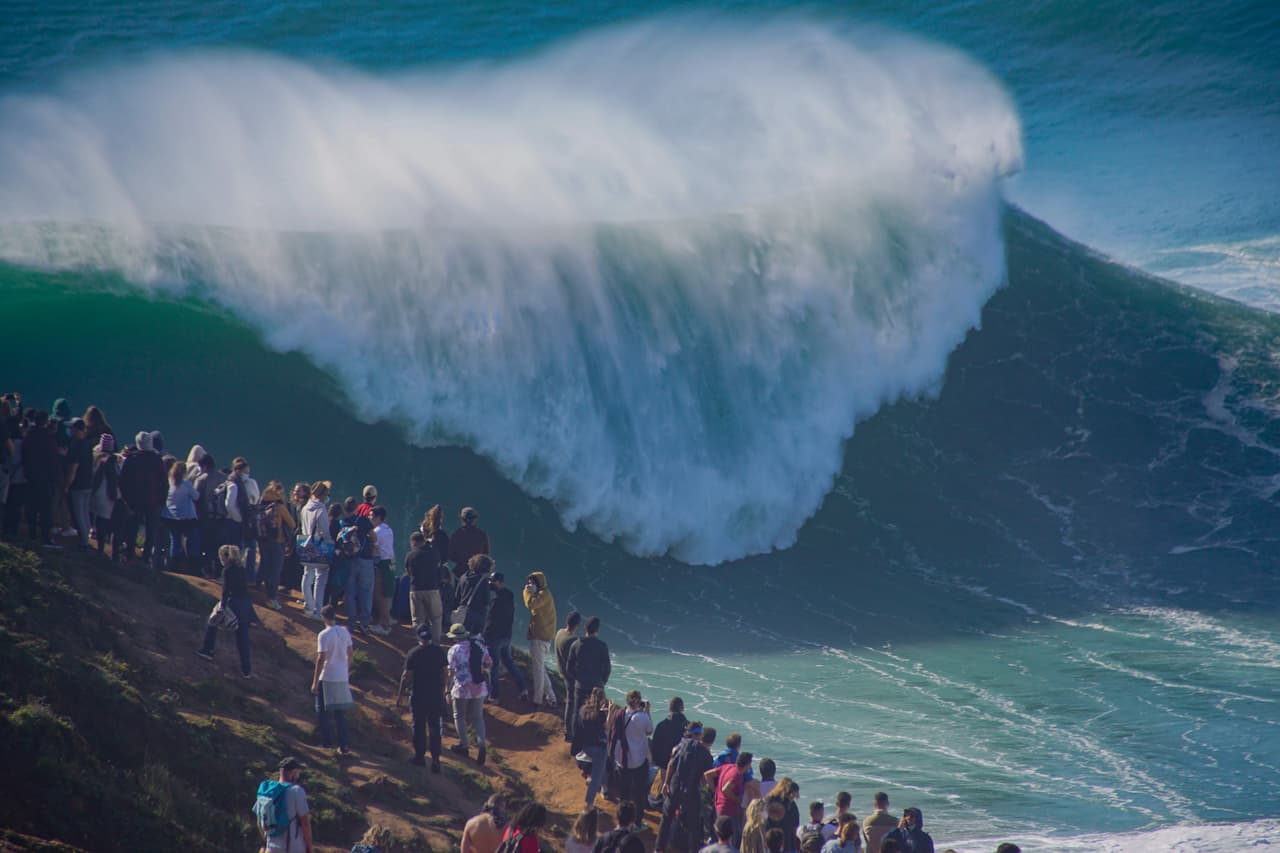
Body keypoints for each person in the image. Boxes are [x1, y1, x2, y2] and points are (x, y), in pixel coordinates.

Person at [195, 545, 253, 677]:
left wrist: (222, 606)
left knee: (212, 622)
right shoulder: (241, 568)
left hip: (233, 603)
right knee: (242, 638)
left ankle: (207, 650)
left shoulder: (228, 570)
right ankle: (246, 670)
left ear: (226, 557)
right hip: (245, 604)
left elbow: (226, 590)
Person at [397, 623, 448, 772]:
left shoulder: (414, 653)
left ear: (418, 636)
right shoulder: (439, 652)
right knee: (435, 727)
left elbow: (406, 675)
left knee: (418, 726)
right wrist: (444, 690)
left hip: (418, 694)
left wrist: (400, 694)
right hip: (435, 695)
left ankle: (419, 757)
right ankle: (436, 760)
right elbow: (445, 673)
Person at [656, 721, 714, 853]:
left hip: (675, 786)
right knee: (693, 826)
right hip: (691, 791)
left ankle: (659, 849)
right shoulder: (706, 755)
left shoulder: (680, 747)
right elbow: (704, 779)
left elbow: (671, 765)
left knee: (666, 818)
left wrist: (666, 783)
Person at [447, 622, 493, 764]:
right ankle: (481, 745)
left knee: (459, 716)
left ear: (454, 637)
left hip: (461, 688)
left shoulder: (454, 650)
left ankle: (464, 745)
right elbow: (488, 663)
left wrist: (447, 690)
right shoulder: (478, 645)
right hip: (479, 687)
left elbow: (451, 672)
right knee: (478, 718)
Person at [312, 604, 354, 755]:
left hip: (328, 676)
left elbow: (320, 658)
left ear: (323, 617)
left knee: (322, 711)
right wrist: (345, 669)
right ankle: (344, 746)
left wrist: (315, 681)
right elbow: (350, 653)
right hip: (342, 677)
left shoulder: (323, 635)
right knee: (340, 713)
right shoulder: (344, 631)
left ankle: (326, 742)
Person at [484, 572, 530, 703]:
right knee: (509, 662)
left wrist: (484, 634)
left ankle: (494, 696)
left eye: (493, 581)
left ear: (500, 582)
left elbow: (490, 620)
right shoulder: (509, 595)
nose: (491, 584)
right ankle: (523, 689)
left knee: (493, 665)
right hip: (506, 636)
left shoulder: (495, 600)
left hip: (494, 637)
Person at [612, 689, 654, 830]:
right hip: (637, 760)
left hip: (621, 758)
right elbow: (649, 731)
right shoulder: (642, 717)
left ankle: (622, 821)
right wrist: (647, 711)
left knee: (624, 793)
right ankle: (637, 823)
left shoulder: (620, 713)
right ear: (637, 701)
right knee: (639, 793)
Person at [566, 616, 611, 740]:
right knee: (597, 714)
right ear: (597, 630)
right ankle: (593, 740)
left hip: (580, 686)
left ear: (585, 628)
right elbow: (607, 668)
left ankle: (576, 743)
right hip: (596, 687)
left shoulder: (576, 644)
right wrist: (602, 682)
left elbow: (569, 668)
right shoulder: (602, 646)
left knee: (577, 714)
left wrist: (578, 679)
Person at [338, 495, 377, 635]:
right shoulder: (363, 520)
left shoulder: (343, 522)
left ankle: (351, 623)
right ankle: (365, 624)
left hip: (349, 560)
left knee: (350, 592)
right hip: (365, 560)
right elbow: (374, 537)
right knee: (366, 592)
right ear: (356, 508)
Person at [258, 756, 313, 853]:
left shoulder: (267, 791)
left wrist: (266, 843)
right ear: (293, 773)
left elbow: (259, 822)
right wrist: (309, 848)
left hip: (271, 848)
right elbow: (305, 824)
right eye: (298, 772)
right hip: (293, 848)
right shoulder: (296, 791)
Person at [21, 411, 59, 547]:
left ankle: (32, 534)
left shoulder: (29, 435)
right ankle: (46, 537)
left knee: (31, 507)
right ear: (45, 421)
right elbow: (53, 459)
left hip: (31, 477)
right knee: (45, 509)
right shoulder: (49, 437)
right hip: (46, 479)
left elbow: (24, 455)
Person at [256, 481, 296, 610]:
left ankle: (260, 591)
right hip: (277, 540)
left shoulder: (261, 504)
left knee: (265, 566)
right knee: (275, 571)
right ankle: (272, 598)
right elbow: (292, 523)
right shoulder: (279, 506)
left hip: (262, 540)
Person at [522, 571, 558, 708]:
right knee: (540, 668)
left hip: (539, 638)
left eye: (532, 583)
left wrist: (526, 592)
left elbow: (531, 605)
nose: (529, 585)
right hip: (543, 637)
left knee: (538, 670)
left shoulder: (543, 595)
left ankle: (537, 700)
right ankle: (552, 697)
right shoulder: (544, 594)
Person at [298, 480, 331, 619]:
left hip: (305, 543)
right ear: (323, 495)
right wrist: (330, 543)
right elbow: (324, 531)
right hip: (318, 545)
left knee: (307, 574)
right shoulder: (321, 509)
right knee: (321, 577)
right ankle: (317, 610)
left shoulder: (305, 508)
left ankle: (308, 605)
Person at [573, 687, 610, 809]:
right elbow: (607, 727)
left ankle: (605, 788)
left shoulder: (582, 710)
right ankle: (588, 805)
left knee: (601, 766)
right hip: (599, 748)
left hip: (586, 746)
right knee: (596, 778)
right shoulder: (601, 715)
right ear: (602, 699)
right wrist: (608, 713)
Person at [406, 530, 444, 641]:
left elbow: (408, 572)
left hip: (416, 590)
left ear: (413, 542)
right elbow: (439, 568)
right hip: (433, 589)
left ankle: (421, 643)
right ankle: (436, 644)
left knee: (418, 620)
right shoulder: (434, 552)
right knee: (436, 619)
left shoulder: (410, 555)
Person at [192, 454, 226, 577]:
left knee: (205, 544)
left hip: (205, 517)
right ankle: (218, 571)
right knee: (218, 544)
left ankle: (206, 570)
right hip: (221, 518)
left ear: (204, 466)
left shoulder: (201, 479)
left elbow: (195, 498)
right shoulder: (224, 478)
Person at [163, 460, 199, 571]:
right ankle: (193, 566)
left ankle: (172, 566)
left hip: (170, 517)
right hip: (186, 518)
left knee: (174, 540)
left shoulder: (168, 482)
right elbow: (196, 496)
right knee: (192, 540)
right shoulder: (186, 484)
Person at [710, 752, 752, 846]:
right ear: (747, 764)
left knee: (721, 837)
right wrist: (737, 799)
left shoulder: (727, 766)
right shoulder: (737, 774)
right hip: (728, 810)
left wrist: (714, 790)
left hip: (719, 806)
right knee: (733, 839)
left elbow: (708, 775)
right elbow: (726, 789)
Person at [64, 418, 93, 550]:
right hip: (88, 483)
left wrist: (67, 485)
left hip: (78, 484)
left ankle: (83, 542)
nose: (70, 430)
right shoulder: (87, 444)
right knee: (85, 512)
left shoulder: (77, 445)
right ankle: (86, 537)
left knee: (78, 513)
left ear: (77, 429)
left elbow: (73, 468)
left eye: (72, 428)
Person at [651, 696, 688, 794]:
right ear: (682, 708)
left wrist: (656, 760)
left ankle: (665, 803)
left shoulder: (661, 725)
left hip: (664, 763)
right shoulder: (687, 726)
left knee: (665, 787)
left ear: (670, 708)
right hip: (680, 764)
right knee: (678, 790)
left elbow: (655, 744)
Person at [89, 434, 119, 555]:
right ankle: (101, 547)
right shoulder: (113, 460)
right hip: (107, 494)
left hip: (94, 492)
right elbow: (115, 478)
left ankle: (91, 537)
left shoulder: (95, 457)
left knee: (91, 516)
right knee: (103, 520)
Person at [556, 611, 583, 741]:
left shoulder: (559, 632)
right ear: (577, 625)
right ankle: (569, 732)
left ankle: (569, 730)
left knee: (571, 701)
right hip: (571, 676)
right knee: (572, 703)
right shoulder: (572, 640)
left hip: (562, 671)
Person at [455, 553, 494, 637]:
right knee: (474, 640)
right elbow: (486, 600)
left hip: (463, 612)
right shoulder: (483, 581)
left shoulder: (463, 577)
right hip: (477, 614)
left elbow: (457, 595)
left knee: (461, 637)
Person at [370, 505, 395, 634]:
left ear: (378, 517)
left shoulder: (377, 531)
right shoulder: (388, 529)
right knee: (385, 594)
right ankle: (386, 620)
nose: (369, 518)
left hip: (382, 564)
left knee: (379, 594)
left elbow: (373, 547)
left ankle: (385, 625)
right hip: (390, 562)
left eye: (371, 516)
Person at [448, 506, 489, 579]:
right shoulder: (481, 534)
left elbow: (451, 555)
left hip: (460, 572)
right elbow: (486, 554)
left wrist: (461, 561)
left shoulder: (457, 534)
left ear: (462, 519)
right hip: (477, 572)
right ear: (475, 519)